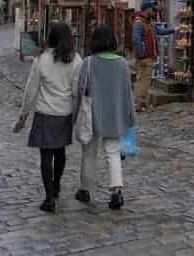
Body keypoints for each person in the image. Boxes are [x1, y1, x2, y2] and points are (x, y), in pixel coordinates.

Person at [14, 21, 81, 212]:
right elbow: (77, 91)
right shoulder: (76, 60)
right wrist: (75, 116)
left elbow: (31, 91)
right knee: (60, 153)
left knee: (46, 156)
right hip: (64, 113)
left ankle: (49, 196)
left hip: (45, 114)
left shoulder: (42, 59)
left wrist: (23, 116)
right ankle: (57, 184)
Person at [76, 24, 135, 211]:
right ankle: (116, 192)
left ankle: (85, 189)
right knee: (113, 152)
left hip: (92, 113)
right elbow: (128, 93)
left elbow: (80, 89)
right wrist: (130, 117)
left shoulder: (89, 62)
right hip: (114, 115)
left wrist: (75, 112)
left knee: (89, 153)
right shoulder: (122, 63)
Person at [131, 2, 157, 112]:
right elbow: (136, 39)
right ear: (147, 9)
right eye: (152, 8)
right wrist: (141, 55)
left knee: (145, 81)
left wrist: (173, 30)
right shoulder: (139, 23)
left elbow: (158, 31)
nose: (153, 10)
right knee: (142, 81)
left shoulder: (148, 23)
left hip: (148, 57)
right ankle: (138, 104)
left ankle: (142, 104)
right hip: (144, 58)